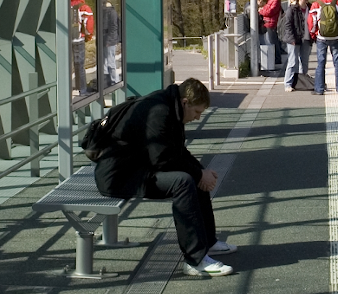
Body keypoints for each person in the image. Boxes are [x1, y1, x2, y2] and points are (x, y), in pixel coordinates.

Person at [93, 78, 238, 277]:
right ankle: (195, 261)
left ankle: (208, 242)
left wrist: (201, 171)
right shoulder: (158, 112)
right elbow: (162, 159)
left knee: (195, 176)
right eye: (196, 112)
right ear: (185, 102)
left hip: (136, 168)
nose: (197, 118)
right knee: (183, 182)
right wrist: (197, 174)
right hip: (118, 176)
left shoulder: (171, 106)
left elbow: (177, 151)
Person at [307, 0, 338, 95]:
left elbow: (311, 22)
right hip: (336, 37)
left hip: (321, 37)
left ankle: (319, 89)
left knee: (321, 63)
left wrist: (314, 34)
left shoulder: (316, 4)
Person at [280, 0, 311, 92]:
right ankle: (288, 83)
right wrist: (291, 38)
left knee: (304, 62)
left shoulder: (310, 8)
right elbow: (288, 25)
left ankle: (302, 82)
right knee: (293, 62)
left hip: (306, 38)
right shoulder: (292, 9)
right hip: (294, 39)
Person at [70, 0, 94, 95]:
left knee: (67, 64)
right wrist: (88, 36)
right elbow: (88, 24)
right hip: (79, 39)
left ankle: (67, 88)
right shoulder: (83, 7)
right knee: (79, 64)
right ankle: (82, 89)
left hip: (66, 39)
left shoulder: (64, 4)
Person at [257, 0, 281, 65]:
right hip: (265, 22)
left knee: (272, 41)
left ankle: (277, 58)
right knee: (269, 41)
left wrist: (261, 10)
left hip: (271, 22)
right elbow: (262, 2)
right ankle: (272, 58)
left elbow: (271, 11)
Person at [101, 0, 121, 86]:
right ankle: (107, 80)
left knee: (110, 61)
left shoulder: (111, 13)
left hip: (110, 40)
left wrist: (109, 40)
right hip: (106, 39)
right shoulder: (106, 12)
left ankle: (114, 80)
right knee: (105, 61)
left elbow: (113, 27)